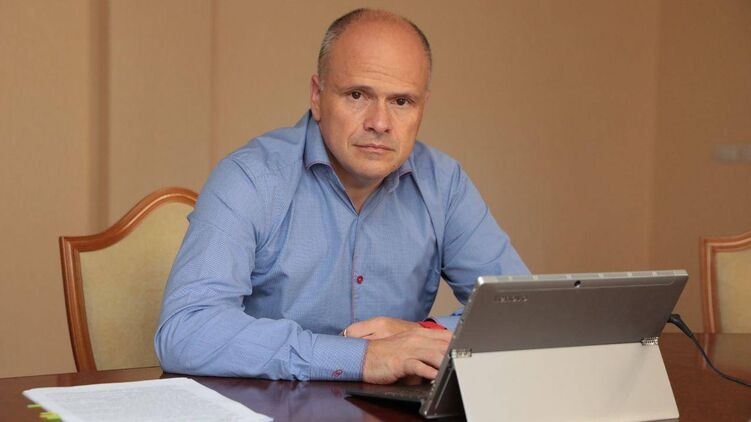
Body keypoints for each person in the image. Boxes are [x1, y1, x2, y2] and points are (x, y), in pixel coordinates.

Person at [155, 8, 528, 384]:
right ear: (317, 96)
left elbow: (524, 313)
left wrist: (423, 335)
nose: (379, 123)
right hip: (268, 405)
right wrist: (361, 357)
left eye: (401, 102)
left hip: (389, 408)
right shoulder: (250, 179)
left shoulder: (444, 185)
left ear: (422, 107)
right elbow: (186, 330)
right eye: (357, 95)